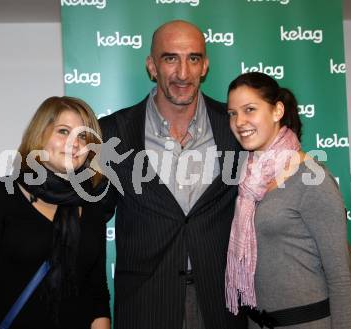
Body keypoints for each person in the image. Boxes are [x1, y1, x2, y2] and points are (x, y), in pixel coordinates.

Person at [99, 20, 247, 329]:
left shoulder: (235, 128)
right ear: (151, 66)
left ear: (204, 66)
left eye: (193, 58)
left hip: (222, 305)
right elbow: (90, 217)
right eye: (170, 58)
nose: (183, 73)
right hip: (145, 306)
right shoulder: (114, 132)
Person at [0, 96, 111, 329]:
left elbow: (97, 297)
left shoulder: (92, 207)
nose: (75, 143)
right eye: (63, 131)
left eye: (83, 136)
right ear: (40, 135)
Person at [224, 72, 351, 328]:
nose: (240, 121)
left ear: (277, 111)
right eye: (232, 113)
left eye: (250, 109)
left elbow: (340, 279)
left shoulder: (312, 179)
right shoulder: (246, 178)